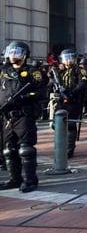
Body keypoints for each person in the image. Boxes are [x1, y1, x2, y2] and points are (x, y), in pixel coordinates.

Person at [0, 41, 45, 192]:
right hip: (7, 116)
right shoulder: (3, 71)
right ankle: (15, 179)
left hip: (23, 114)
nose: (13, 56)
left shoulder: (32, 72)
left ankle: (31, 180)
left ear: (24, 55)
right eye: (11, 52)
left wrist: (23, 97)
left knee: (26, 149)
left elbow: (41, 92)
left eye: (17, 52)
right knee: (9, 149)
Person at [57, 49, 87, 158]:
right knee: (57, 122)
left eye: (70, 58)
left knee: (70, 124)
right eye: (66, 59)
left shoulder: (79, 70)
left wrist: (71, 93)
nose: (68, 61)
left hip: (74, 100)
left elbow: (82, 84)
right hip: (62, 100)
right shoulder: (61, 71)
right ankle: (61, 145)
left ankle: (69, 149)